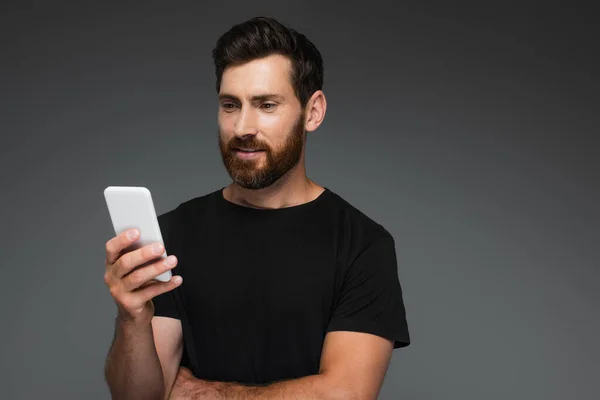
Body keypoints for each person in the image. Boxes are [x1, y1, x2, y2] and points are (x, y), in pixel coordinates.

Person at [103, 16, 410, 400]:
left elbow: (344, 394)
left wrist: (201, 393)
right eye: (230, 105)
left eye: (266, 105)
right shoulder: (173, 234)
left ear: (312, 112)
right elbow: (138, 397)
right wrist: (132, 319)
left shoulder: (363, 244)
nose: (242, 126)